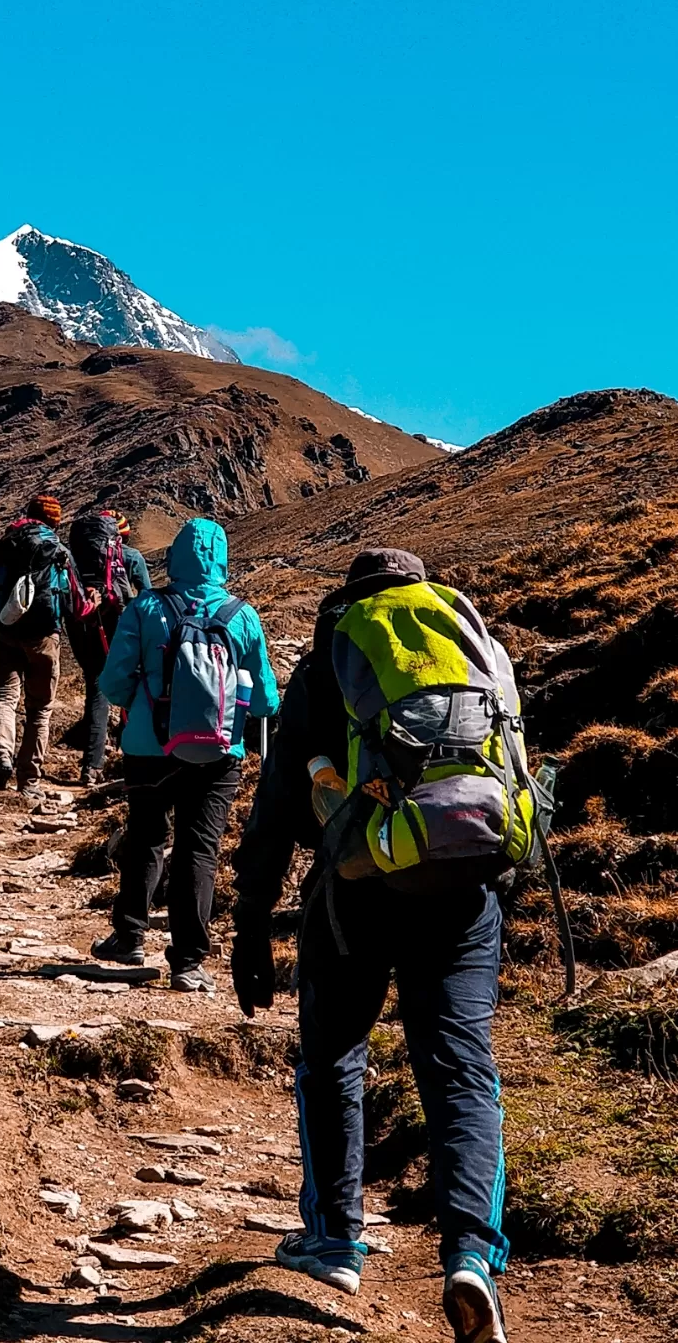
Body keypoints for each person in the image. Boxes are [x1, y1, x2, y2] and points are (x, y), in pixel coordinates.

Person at [231, 548, 519, 1343]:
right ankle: (470, 1254)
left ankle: (333, 1240)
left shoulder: (331, 653)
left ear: (348, 597)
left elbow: (280, 793)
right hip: (464, 888)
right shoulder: (472, 641)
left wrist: (251, 917)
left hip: (354, 892)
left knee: (332, 1060)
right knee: (461, 1068)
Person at [90, 517, 278, 993]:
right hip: (219, 754)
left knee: (147, 835)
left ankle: (129, 935)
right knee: (200, 849)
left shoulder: (146, 607)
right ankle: (188, 961)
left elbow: (111, 683)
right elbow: (266, 702)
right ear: (222, 560)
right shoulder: (242, 615)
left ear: (175, 556)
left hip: (148, 749)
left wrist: (143, 704)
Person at [0, 494, 98, 798]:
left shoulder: (8, 542)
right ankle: (29, 781)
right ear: (54, 522)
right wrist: (94, 601)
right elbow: (78, 606)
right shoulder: (59, 551)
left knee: (4, 699)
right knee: (40, 709)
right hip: (45, 636)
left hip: (7, 631)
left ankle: (1, 760)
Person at [65, 508, 152, 786]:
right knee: (134, 684)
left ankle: (92, 766)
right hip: (120, 623)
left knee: (96, 688)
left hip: (83, 623)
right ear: (120, 536)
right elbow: (147, 596)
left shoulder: (76, 558)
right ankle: (133, 755)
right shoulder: (132, 557)